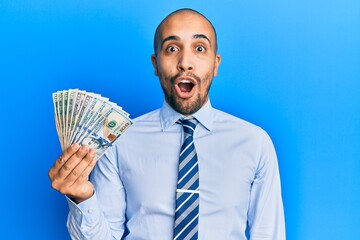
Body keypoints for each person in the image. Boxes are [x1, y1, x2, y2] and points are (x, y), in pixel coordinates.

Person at [48, 8, 285, 240]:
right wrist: (82, 197)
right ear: (155, 64)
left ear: (215, 64)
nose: (185, 63)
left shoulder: (255, 143)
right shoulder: (120, 141)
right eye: (172, 49)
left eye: (199, 48)